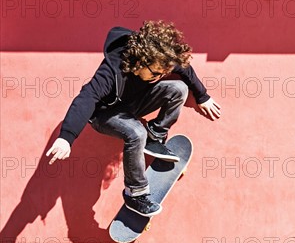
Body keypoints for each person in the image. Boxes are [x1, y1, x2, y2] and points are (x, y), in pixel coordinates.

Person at [46, 20, 221, 216]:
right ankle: (135, 194)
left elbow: (183, 68)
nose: (159, 77)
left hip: (133, 105)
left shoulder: (159, 61)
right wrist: (66, 138)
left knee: (178, 88)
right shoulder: (111, 72)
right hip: (105, 115)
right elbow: (87, 98)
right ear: (139, 63)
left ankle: (155, 134)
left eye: (162, 73)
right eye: (155, 73)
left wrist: (202, 96)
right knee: (136, 132)